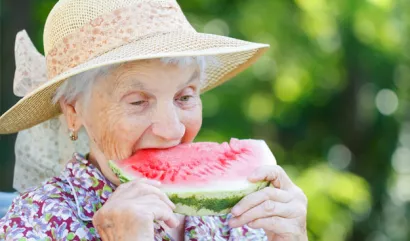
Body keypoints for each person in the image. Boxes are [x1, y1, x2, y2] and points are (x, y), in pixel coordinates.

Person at [0, 0, 308, 240]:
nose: (172, 129)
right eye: (138, 102)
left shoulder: (237, 211)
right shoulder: (35, 222)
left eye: (185, 97)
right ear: (73, 111)